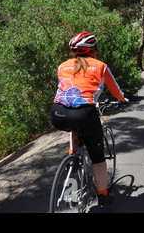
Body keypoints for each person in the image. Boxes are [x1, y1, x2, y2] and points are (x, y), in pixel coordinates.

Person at [50, 32, 128, 207]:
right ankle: (102, 196)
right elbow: (115, 90)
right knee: (98, 158)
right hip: (85, 113)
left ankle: (73, 156)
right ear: (93, 50)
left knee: (74, 126)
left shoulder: (62, 66)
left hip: (57, 113)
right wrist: (123, 99)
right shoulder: (100, 66)